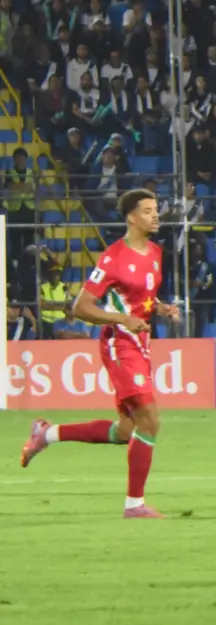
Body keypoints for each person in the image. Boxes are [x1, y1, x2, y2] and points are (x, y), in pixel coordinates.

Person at [20, 189, 180, 518]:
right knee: (149, 421)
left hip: (140, 343)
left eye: (156, 209)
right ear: (131, 217)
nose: (155, 215)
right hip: (119, 344)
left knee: (126, 431)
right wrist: (122, 319)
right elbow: (81, 307)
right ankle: (134, 505)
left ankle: (46, 434)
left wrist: (161, 308)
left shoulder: (155, 252)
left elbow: (143, 295)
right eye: (148, 210)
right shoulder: (112, 258)